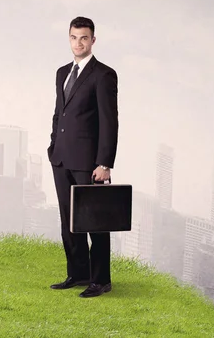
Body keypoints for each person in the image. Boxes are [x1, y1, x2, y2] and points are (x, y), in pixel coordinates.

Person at [47, 16, 119, 298]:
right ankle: (78, 273)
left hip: (89, 162)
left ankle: (100, 280)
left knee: (94, 222)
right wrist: (53, 145)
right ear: (69, 38)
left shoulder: (103, 75)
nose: (79, 43)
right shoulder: (62, 72)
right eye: (74, 37)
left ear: (93, 40)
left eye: (84, 38)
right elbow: (59, 113)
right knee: (69, 221)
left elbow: (109, 121)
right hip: (61, 158)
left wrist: (105, 163)